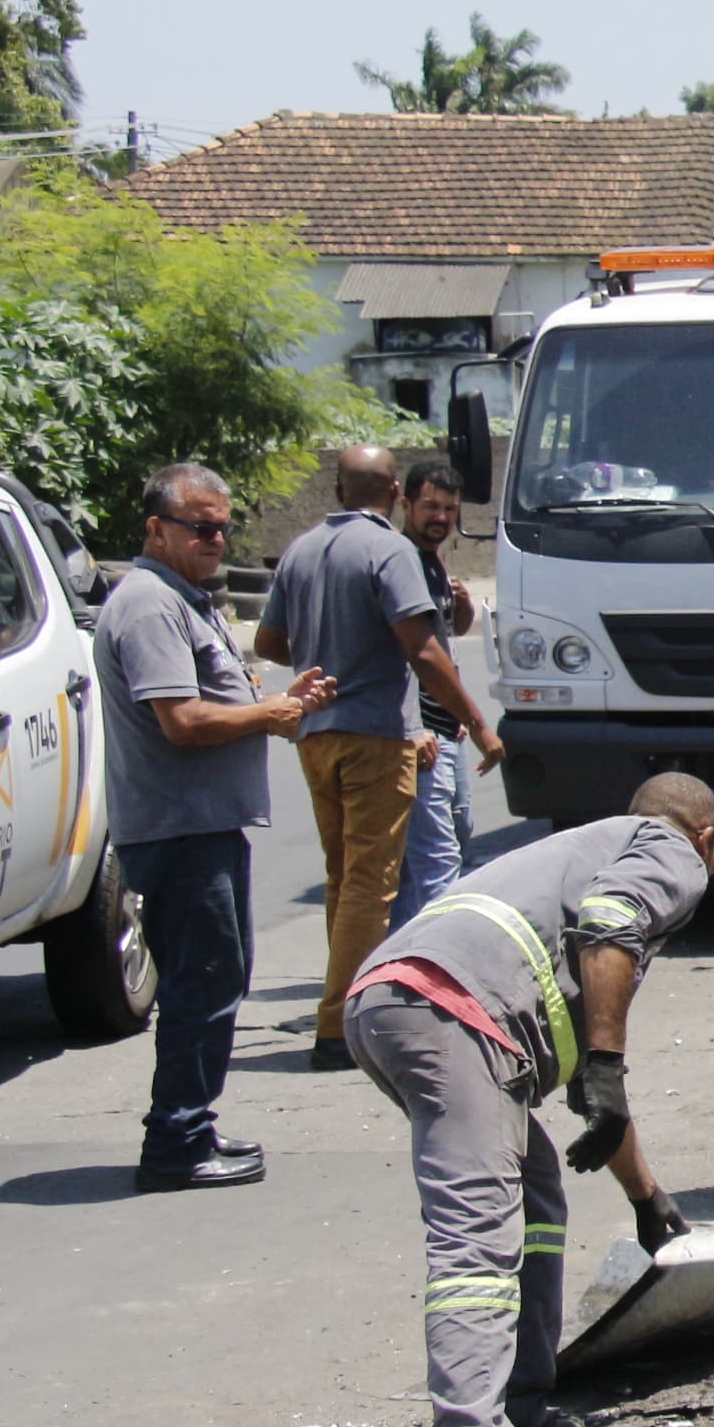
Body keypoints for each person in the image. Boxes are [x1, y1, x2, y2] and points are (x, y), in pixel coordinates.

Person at [344, 774, 714, 1427]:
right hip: (451, 1014)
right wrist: (610, 1068)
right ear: (708, 837)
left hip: (399, 1004)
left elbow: (593, 1090)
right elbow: (612, 926)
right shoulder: (673, 850)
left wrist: (645, 1196)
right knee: (474, 1244)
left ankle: (517, 1407)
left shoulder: (578, 856)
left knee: (539, 1191)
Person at [95, 464, 335, 1192]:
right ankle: (174, 1142)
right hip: (177, 831)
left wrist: (276, 701)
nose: (216, 538)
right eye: (201, 527)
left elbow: (213, 699)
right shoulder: (147, 606)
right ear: (157, 529)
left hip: (204, 826)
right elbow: (184, 720)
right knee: (202, 985)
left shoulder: (181, 601)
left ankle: (192, 1124)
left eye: (223, 526)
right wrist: (269, 716)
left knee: (217, 980)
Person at [256, 447, 505, 1072]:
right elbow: (422, 649)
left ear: (339, 489)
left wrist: (328, 649)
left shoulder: (302, 549)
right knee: (374, 884)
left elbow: (268, 641)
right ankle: (341, 1027)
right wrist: (477, 724)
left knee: (345, 880)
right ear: (394, 492)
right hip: (376, 737)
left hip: (317, 735)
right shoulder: (389, 551)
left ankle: (345, 1010)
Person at [390, 461, 481, 928]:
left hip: (447, 728)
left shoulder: (431, 563)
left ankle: (405, 950)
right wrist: (416, 727)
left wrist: (461, 605)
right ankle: (430, 957)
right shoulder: (400, 560)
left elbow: (447, 634)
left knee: (454, 838)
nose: (440, 517)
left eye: (448, 508)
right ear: (405, 504)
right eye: (429, 506)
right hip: (423, 733)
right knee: (437, 857)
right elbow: (417, 656)